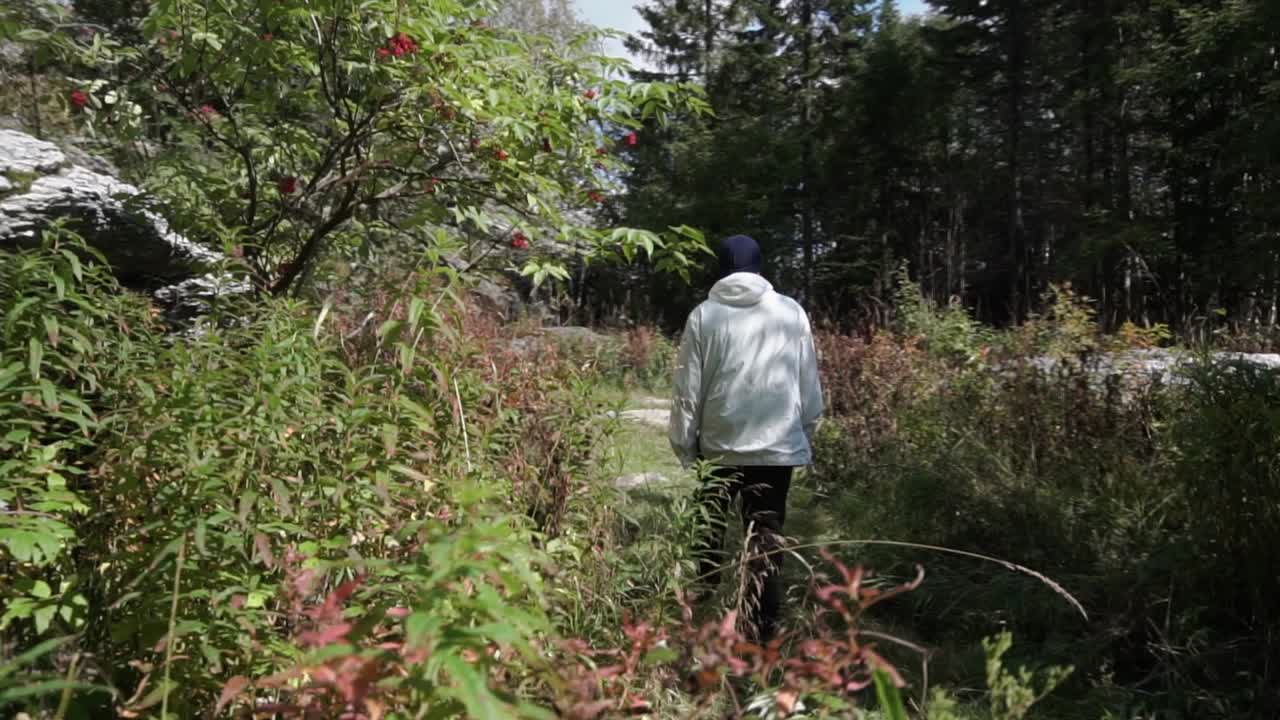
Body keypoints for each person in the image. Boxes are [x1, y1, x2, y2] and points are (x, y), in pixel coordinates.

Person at [668, 234, 824, 642]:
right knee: (767, 537)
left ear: (721, 269)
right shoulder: (791, 312)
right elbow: (808, 383)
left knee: (709, 527)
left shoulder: (704, 316)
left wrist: (685, 444)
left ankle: (703, 608)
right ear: (760, 268)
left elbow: (689, 389)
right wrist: (803, 432)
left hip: (719, 448)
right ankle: (762, 629)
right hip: (777, 448)